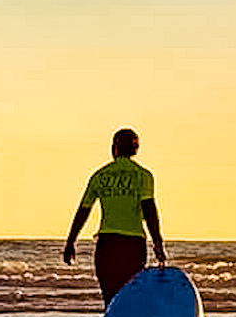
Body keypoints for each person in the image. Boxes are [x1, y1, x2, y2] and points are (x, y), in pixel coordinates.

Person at [63, 128, 167, 305]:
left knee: (110, 297)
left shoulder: (100, 175)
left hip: (107, 244)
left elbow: (83, 210)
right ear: (136, 149)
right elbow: (149, 209)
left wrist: (71, 241)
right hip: (133, 244)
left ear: (114, 148)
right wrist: (158, 243)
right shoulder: (143, 175)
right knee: (130, 295)